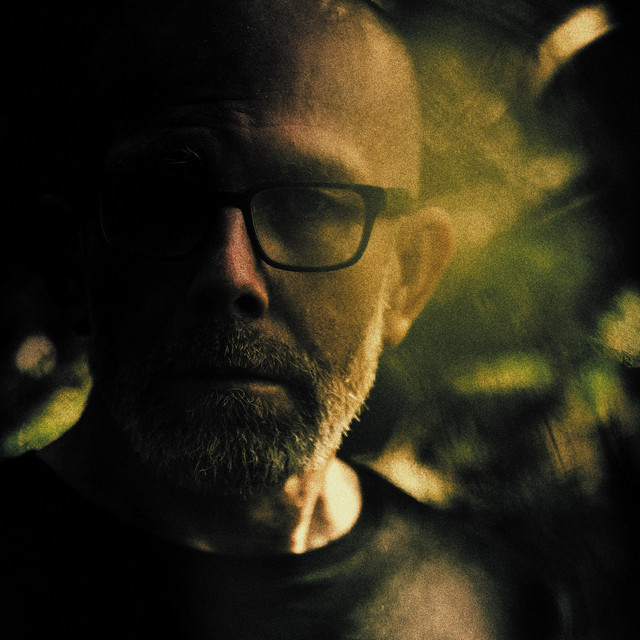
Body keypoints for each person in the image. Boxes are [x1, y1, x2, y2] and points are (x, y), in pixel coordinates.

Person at [0, 1, 561, 638]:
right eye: (164, 202)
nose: (230, 274)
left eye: (310, 207)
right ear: (71, 263)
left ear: (407, 280)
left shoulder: (495, 609)